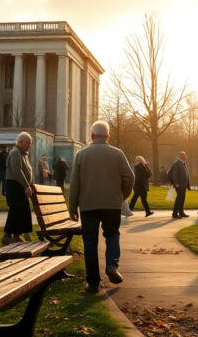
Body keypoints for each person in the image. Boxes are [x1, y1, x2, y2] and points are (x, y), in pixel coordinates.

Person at [69, 121, 134, 294]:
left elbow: (74, 183)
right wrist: (122, 195)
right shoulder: (118, 154)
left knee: (90, 241)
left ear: (92, 136)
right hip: (112, 204)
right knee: (112, 234)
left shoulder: (81, 155)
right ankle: (112, 265)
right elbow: (130, 177)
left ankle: (93, 283)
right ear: (108, 137)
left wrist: (73, 207)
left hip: (88, 205)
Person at [2, 133, 35, 245]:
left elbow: (28, 171)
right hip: (15, 185)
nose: (30, 145)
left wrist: (30, 184)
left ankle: (16, 235)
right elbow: (17, 171)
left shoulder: (23, 154)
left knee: (23, 211)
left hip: (21, 186)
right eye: (28, 143)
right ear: (20, 141)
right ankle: (7, 235)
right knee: (15, 210)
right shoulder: (15, 153)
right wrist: (27, 186)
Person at [172, 151, 191, 219]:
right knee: (179, 198)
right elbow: (175, 173)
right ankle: (175, 213)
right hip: (179, 184)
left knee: (182, 198)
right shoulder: (177, 163)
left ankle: (181, 212)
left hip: (183, 184)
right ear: (180, 156)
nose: (185, 158)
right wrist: (176, 182)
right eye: (184, 156)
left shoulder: (182, 163)